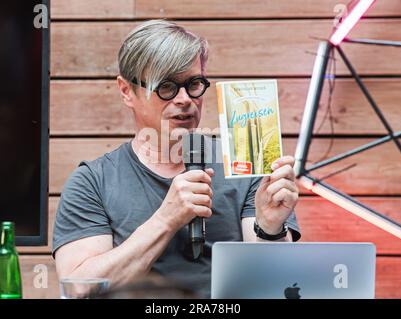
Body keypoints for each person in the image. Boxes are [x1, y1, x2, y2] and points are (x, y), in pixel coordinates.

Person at [52, 20, 301, 298]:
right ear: (126, 91)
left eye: (194, 84)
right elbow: (79, 289)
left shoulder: (245, 166)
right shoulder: (92, 182)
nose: (184, 99)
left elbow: (274, 286)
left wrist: (270, 228)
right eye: (166, 86)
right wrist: (166, 219)